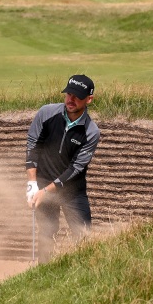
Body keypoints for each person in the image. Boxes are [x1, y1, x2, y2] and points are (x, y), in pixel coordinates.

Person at [25, 75, 101, 263]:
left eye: (77, 96)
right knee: (46, 232)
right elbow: (33, 145)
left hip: (72, 192)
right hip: (42, 182)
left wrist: (46, 191)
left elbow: (76, 168)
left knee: (83, 236)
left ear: (89, 99)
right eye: (68, 94)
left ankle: (82, 273)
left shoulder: (91, 132)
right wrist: (32, 183)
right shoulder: (46, 113)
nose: (70, 99)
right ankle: (43, 272)